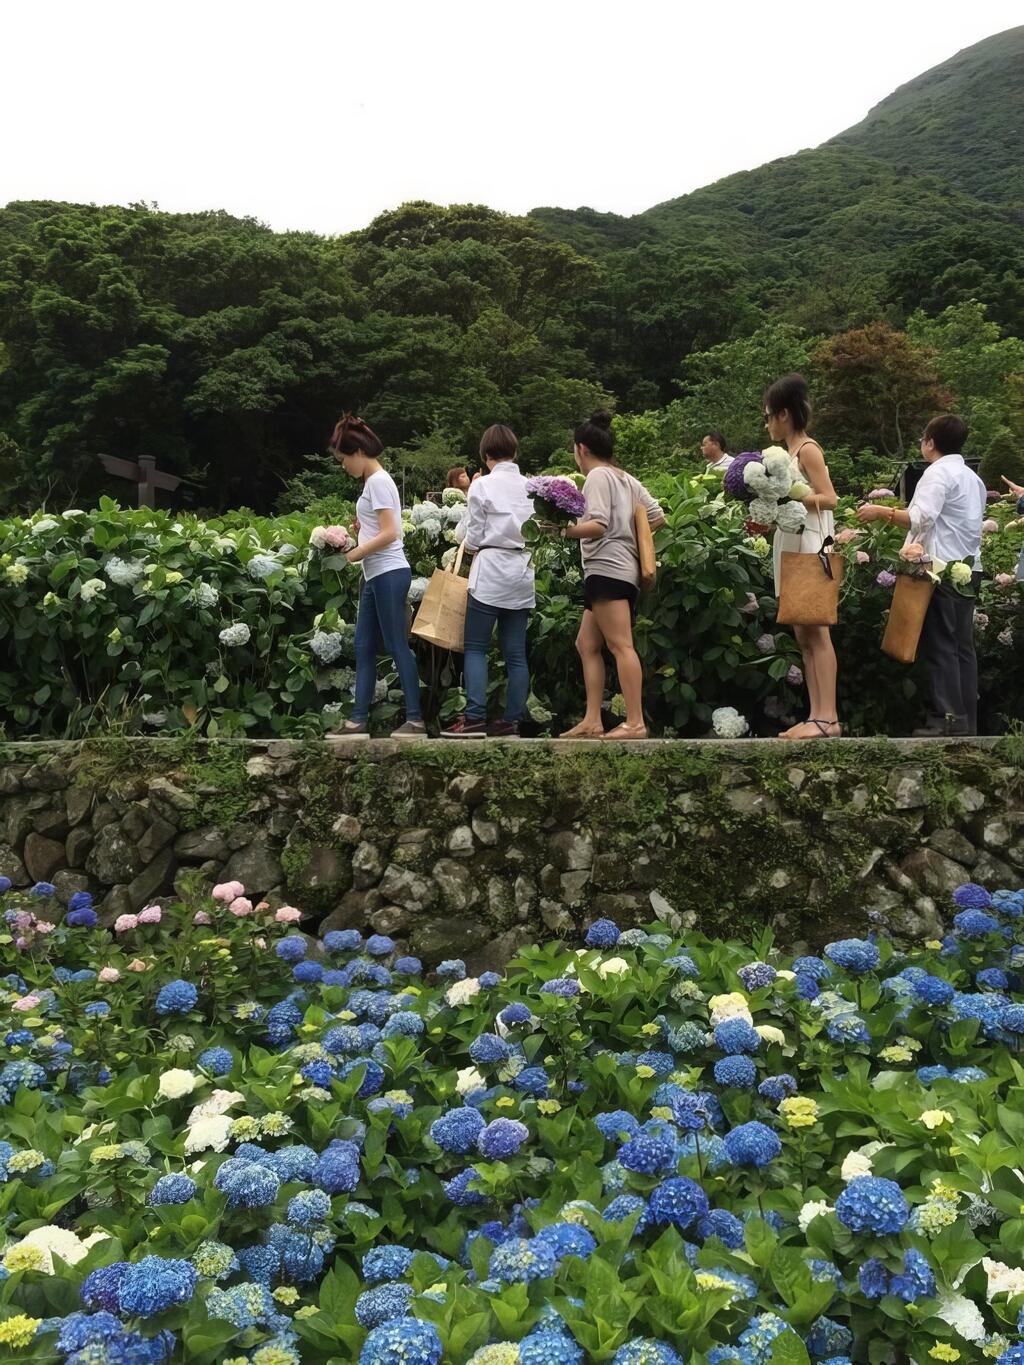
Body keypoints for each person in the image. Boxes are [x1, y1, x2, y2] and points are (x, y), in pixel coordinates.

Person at [858, 415, 986, 736]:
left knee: (941, 644)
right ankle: (966, 721)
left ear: (930, 442)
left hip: (939, 568)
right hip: (970, 568)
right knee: (961, 646)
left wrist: (880, 512)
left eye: (922, 439)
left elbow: (919, 518)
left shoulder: (937, 473)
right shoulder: (973, 478)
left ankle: (946, 719)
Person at [556, 411, 665, 740]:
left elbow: (598, 525)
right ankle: (592, 719)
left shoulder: (598, 477)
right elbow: (657, 516)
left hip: (608, 569)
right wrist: (630, 537)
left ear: (581, 449)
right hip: (616, 570)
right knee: (586, 643)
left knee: (620, 645)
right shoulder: (625, 478)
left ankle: (635, 722)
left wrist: (563, 531)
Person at [328, 414, 425, 738]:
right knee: (363, 644)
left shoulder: (379, 481)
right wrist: (359, 533)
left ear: (357, 452)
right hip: (375, 574)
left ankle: (415, 720)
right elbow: (378, 527)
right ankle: (358, 720)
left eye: (344, 460)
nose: (344, 467)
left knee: (397, 644)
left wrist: (354, 554)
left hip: (388, 572)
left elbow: (391, 533)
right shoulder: (373, 483)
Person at [441, 425, 535, 738]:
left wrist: (465, 539)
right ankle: (511, 721)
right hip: (521, 570)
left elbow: (472, 538)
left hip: (491, 571)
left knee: (476, 648)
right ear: (515, 452)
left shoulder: (482, 487)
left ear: (485, 455)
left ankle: (474, 717)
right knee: (516, 654)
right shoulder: (531, 486)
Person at [764, 374, 841, 740]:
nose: (766, 425)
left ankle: (828, 717)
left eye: (768, 416)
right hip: (790, 543)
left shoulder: (808, 449)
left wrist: (791, 497)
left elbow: (829, 497)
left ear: (783, 414)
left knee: (817, 630)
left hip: (811, 544)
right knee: (803, 633)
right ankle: (815, 714)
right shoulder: (784, 455)